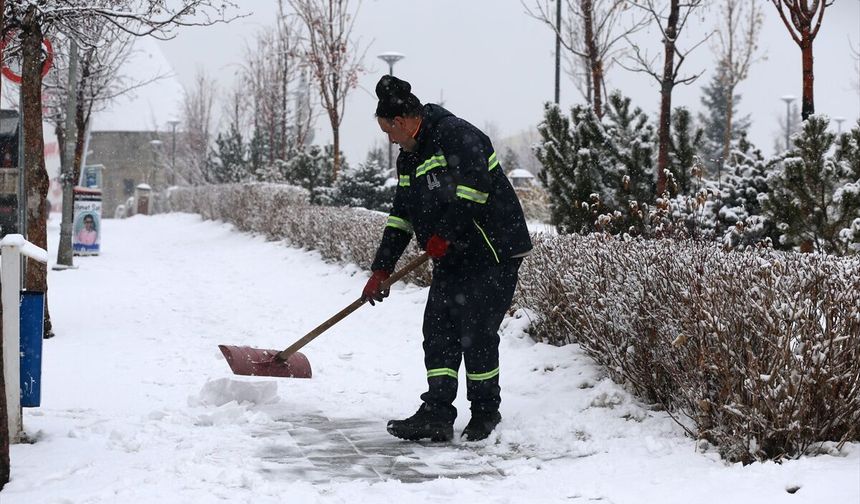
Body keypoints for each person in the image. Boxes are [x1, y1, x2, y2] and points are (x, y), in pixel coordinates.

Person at [362, 75, 532, 442]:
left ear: (403, 120)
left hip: (492, 249)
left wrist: (446, 234)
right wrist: (381, 267)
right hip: (453, 253)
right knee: (437, 329)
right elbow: (401, 216)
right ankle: (437, 413)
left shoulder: (456, 134)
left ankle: (486, 412)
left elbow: (475, 189)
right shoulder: (409, 158)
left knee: (476, 332)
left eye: (389, 130)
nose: (390, 139)